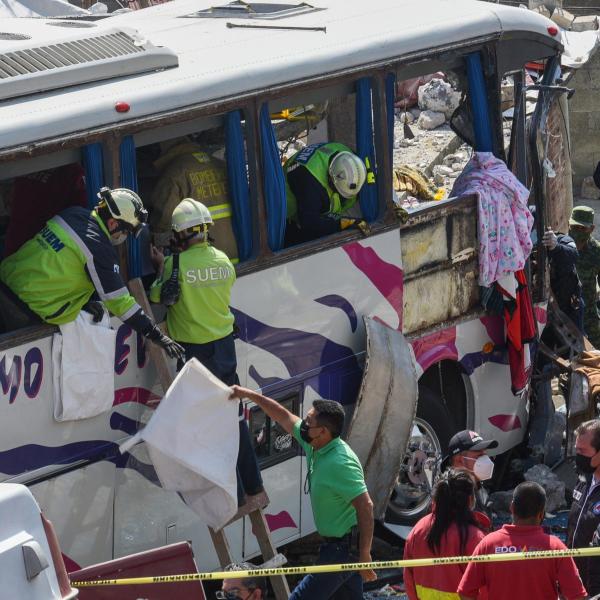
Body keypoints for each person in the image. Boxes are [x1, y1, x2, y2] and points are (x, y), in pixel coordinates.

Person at [149, 198, 262, 505]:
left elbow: (158, 295)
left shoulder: (175, 265)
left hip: (195, 354)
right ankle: (254, 486)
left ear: (179, 235)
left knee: (210, 425)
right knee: (234, 416)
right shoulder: (224, 261)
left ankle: (235, 495)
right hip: (225, 348)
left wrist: (162, 266)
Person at [0, 186, 184, 359]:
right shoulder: (100, 249)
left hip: (6, 281)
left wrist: (83, 302)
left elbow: (60, 264)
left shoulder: (72, 214)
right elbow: (120, 302)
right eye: (126, 231)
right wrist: (154, 334)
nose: (125, 237)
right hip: (25, 308)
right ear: (112, 223)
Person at [229, 385, 376, 599]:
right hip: (336, 547)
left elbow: (366, 506)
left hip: (342, 552)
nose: (304, 425)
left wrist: (364, 555)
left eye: (309, 422)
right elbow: (283, 416)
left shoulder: (340, 462)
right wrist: (249, 394)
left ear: (323, 432)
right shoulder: (315, 445)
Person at [458, 481, 586, 600]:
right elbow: (577, 595)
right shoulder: (555, 547)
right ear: (541, 514)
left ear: (512, 507)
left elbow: (465, 592)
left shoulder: (488, 544)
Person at [147, 138, 239, 262]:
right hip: (236, 257)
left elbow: (162, 225)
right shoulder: (221, 165)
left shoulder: (173, 175)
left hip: (203, 265)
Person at [403, 469, 486, 600]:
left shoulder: (419, 528)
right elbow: (484, 588)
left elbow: (408, 577)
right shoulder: (474, 537)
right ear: (470, 499)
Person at [284, 143, 370, 244]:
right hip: (285, 214)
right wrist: (341, 224)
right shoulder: (310, 183)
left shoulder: (348, 157)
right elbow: (310, 224)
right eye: (341, 193)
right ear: (331, 178)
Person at [567, 419, 600, 596]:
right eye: (576, 450)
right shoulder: (583, 480)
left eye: (582, 451)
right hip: (572, 579)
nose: (577, 456)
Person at [444, 430, 498, 523]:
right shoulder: (445, 494)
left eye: (485, 454)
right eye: (479, 455)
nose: (486, 460)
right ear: (460, 460)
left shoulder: (479, 489)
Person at [568, 206, 600, 347]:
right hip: (565, 314)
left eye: (583, 229)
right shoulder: (562, 246)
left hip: (588, 314)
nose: (577, 232)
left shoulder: (596, 252)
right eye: (575, 227)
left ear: (591, 229)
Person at [542, 227, 584, 330]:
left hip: (569, 311)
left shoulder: (562, 239)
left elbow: (573, 254)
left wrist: (556, 247)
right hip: (545, 311)